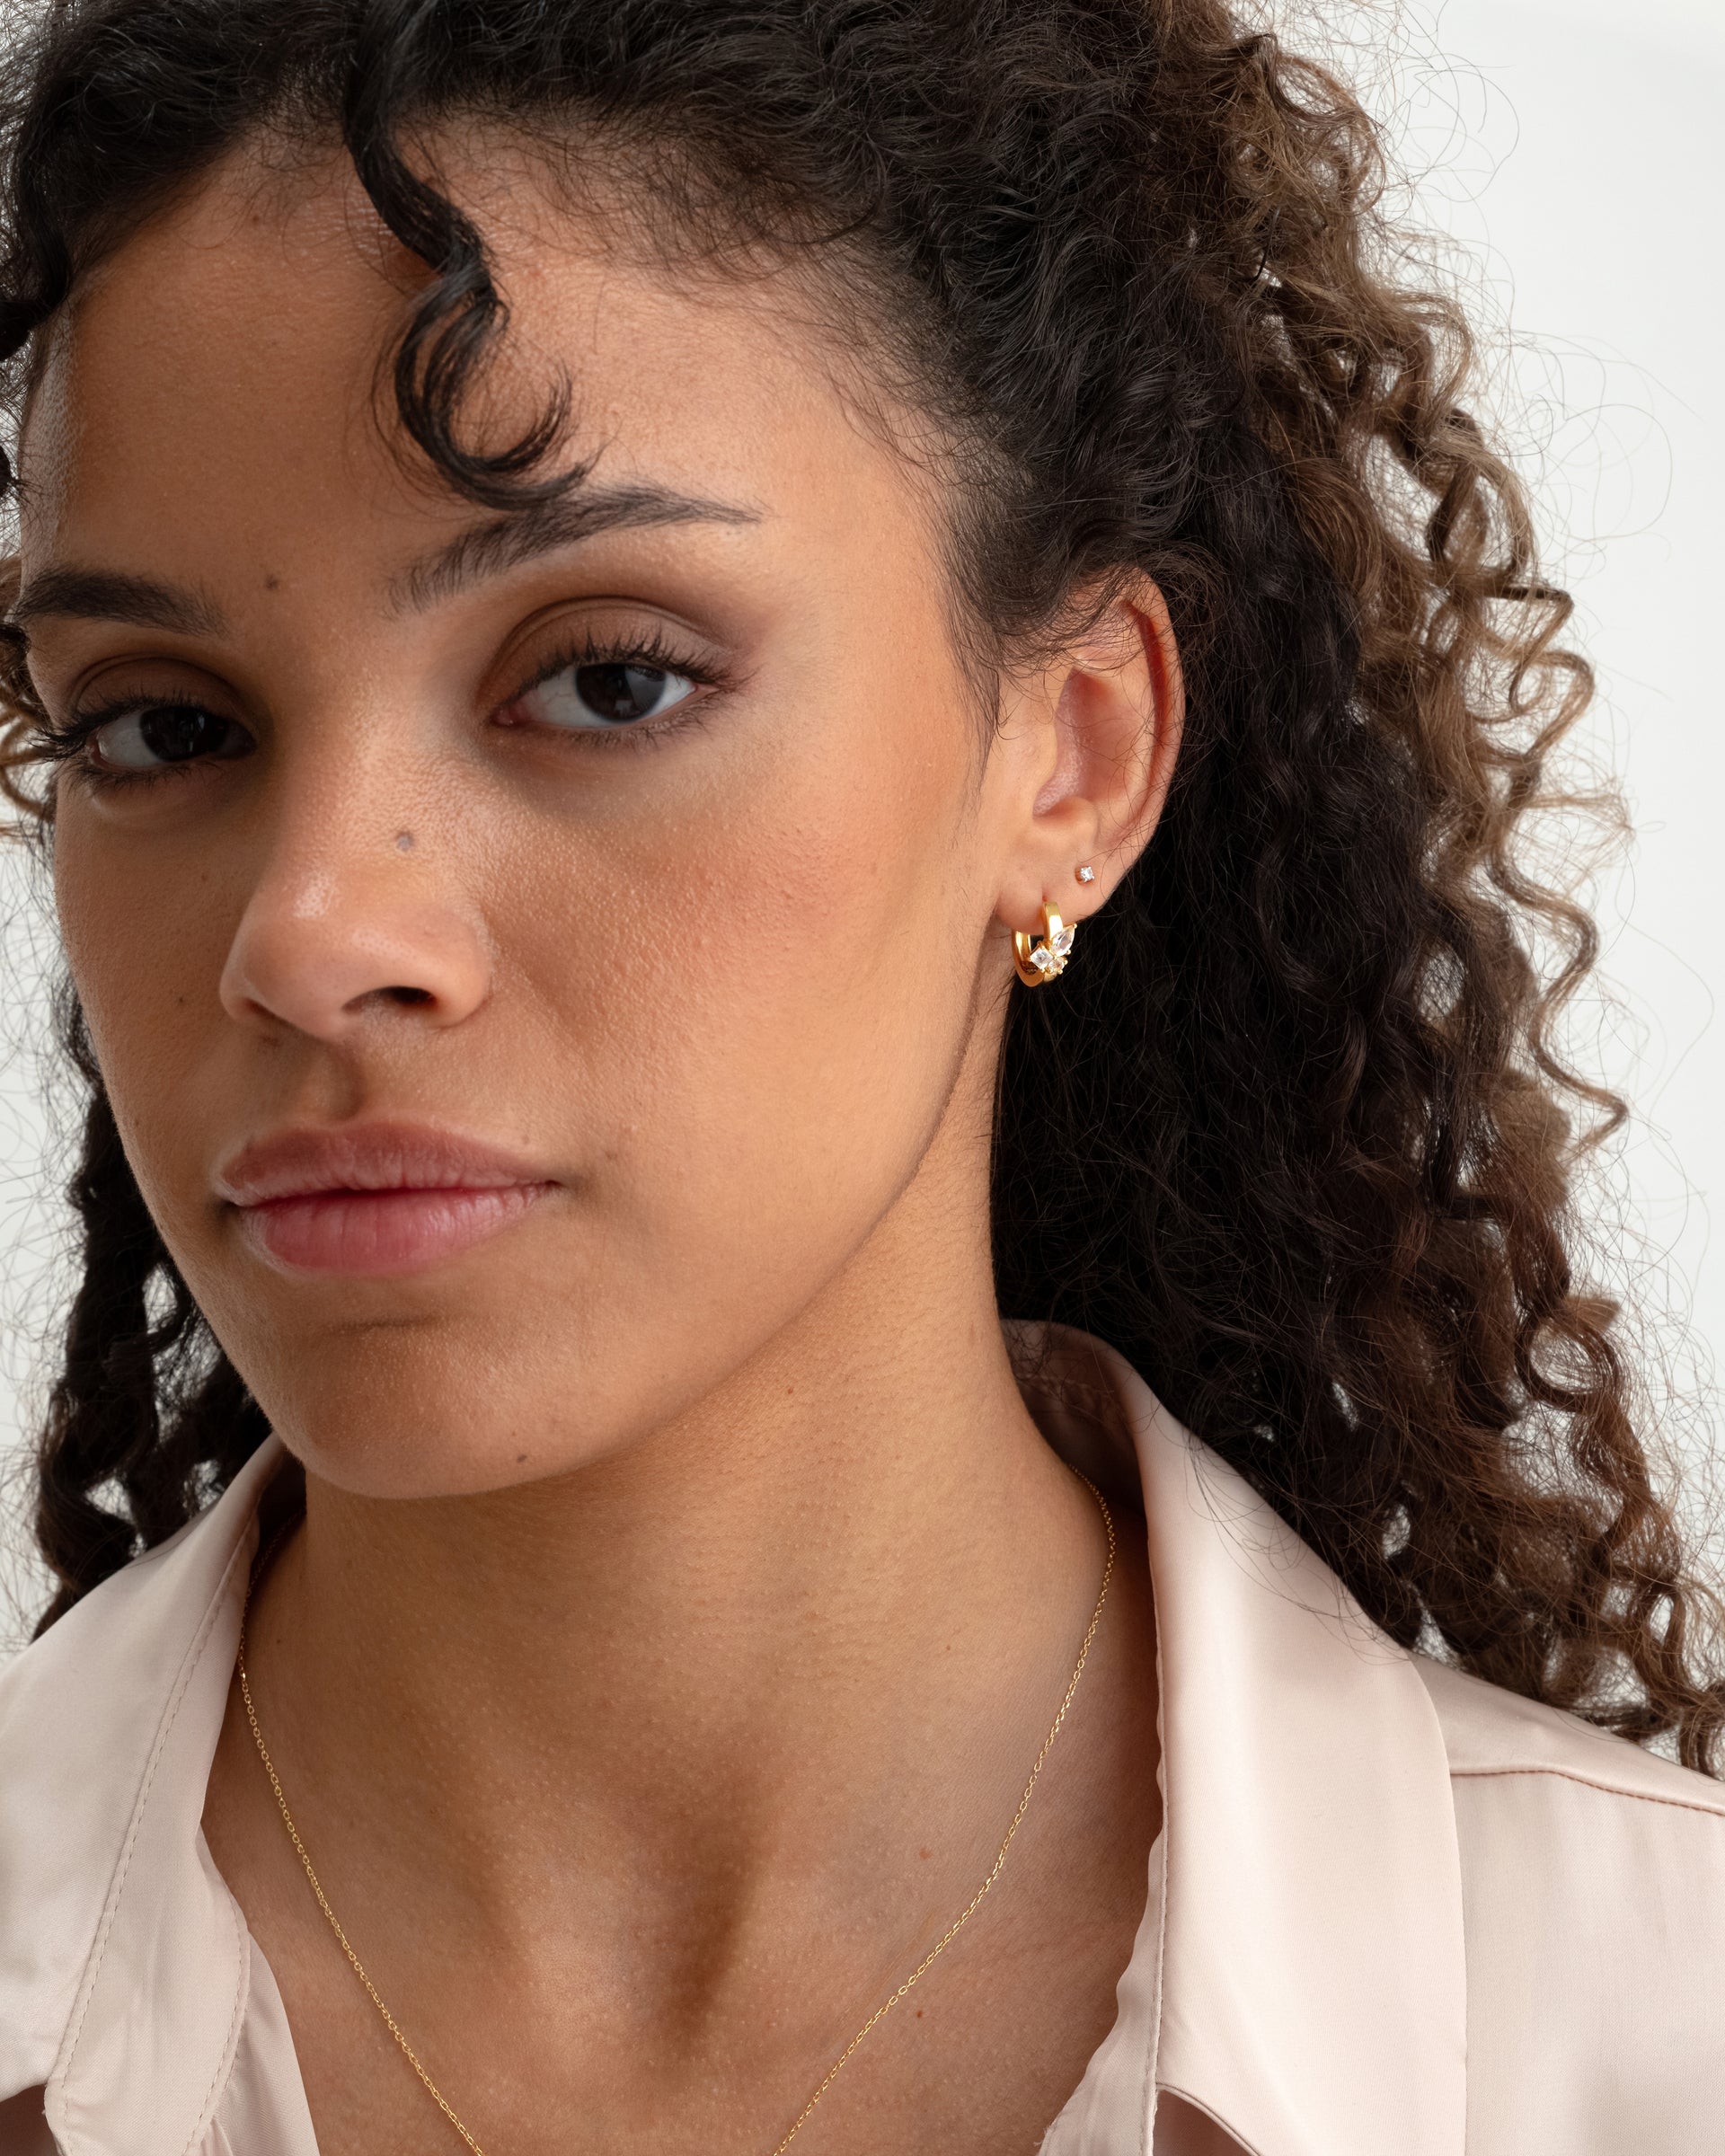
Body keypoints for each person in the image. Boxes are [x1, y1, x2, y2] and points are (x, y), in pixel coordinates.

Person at [0, 1, 1721, 2150]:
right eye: (161, 727)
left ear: (1073, 753)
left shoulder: (1660, 2038)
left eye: (608, 679)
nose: (314, 934)